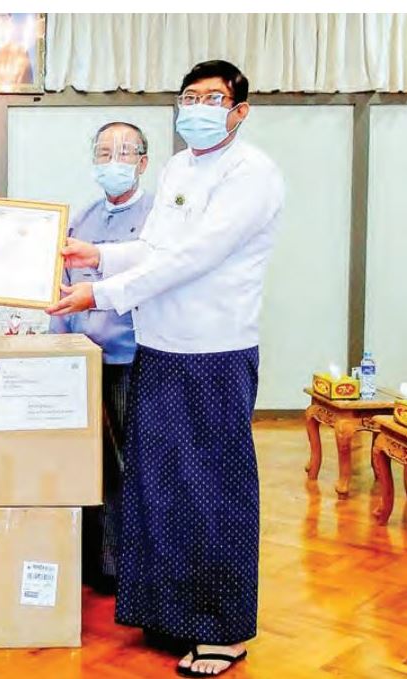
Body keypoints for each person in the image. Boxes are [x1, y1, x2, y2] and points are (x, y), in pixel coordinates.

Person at [47, 60, 284, 677]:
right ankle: (172, 615)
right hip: (159, 346)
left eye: (213, 98)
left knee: (214, 490)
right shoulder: (179, 168)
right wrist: (98, 254)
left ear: (239, 111)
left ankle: (224, 631)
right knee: (158, 487)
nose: (198, 108)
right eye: (189, 97)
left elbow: (194, 258)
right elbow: (156, 249)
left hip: (214, 351)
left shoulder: (251, 174)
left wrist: (99, 292)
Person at [48, 121, 153, 596]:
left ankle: (129, 565)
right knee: (89, 463)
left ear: (143, 162)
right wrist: (56, 347)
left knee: (130, 464)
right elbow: (60, 289)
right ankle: (97, 560)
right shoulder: (79, 219)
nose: (114, 162)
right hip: (80, 362)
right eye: (104, 152)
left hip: (132, 359)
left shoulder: (157, 220)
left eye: (125, 152)